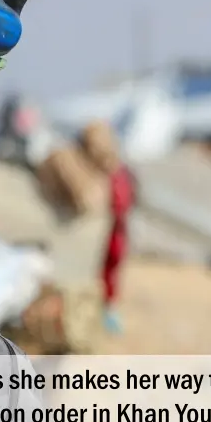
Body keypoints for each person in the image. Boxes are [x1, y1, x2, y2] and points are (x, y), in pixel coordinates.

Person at [80, 121, 135, 335]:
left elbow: (121, 204)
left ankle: (106, 311)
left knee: (108, 272)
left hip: (113, 232)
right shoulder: (101, 172)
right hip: (104, 233)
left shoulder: (115, 173)